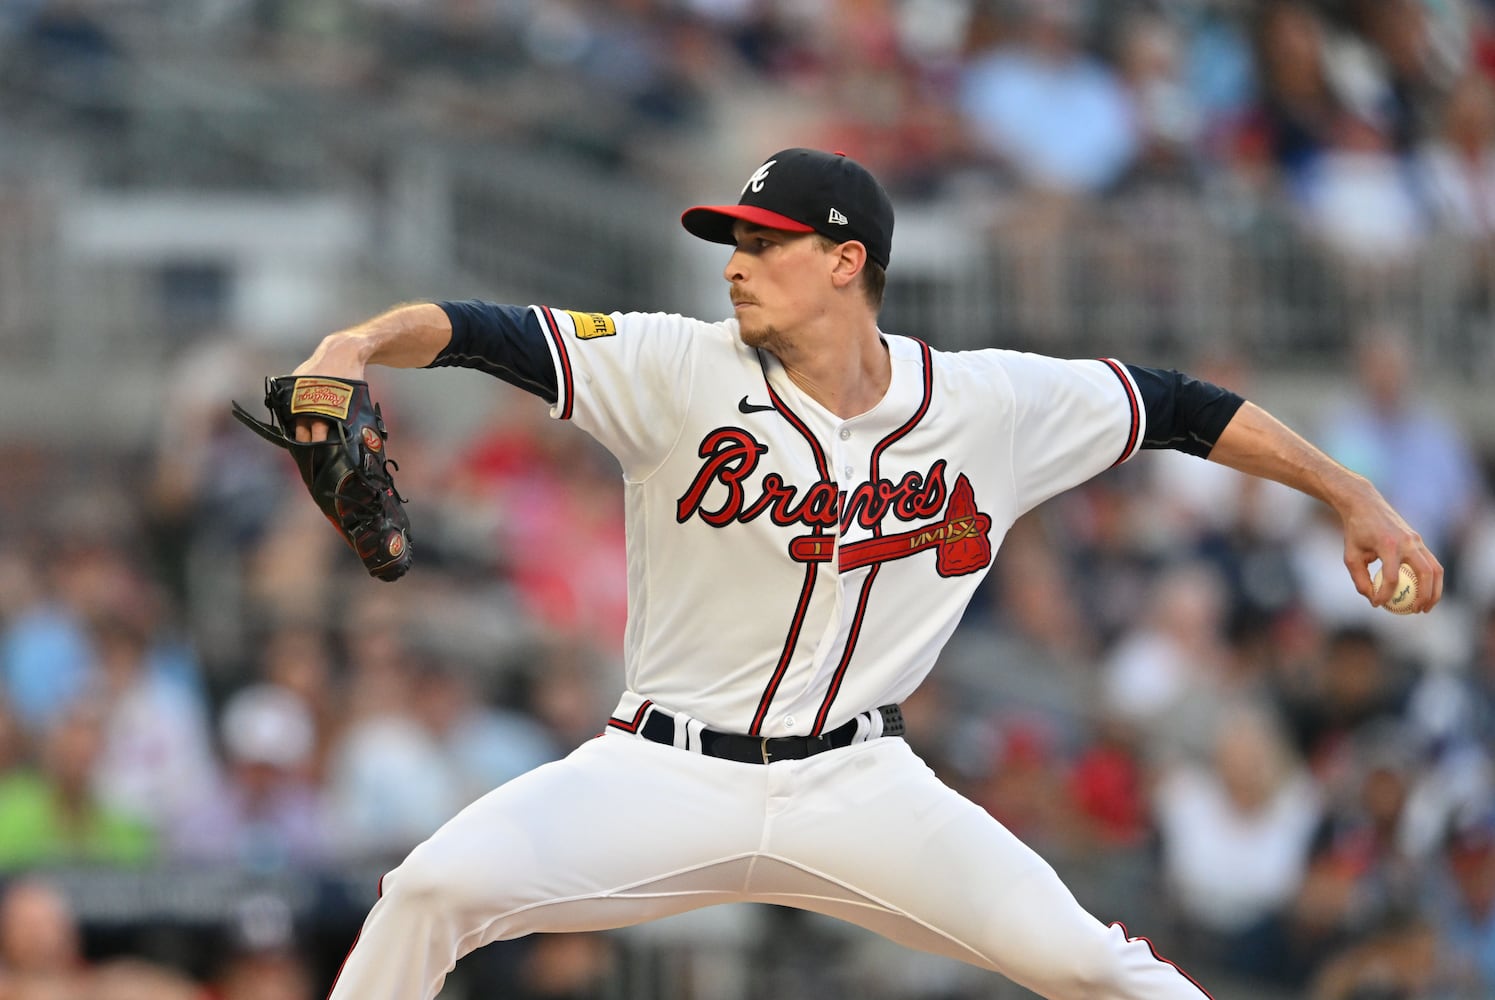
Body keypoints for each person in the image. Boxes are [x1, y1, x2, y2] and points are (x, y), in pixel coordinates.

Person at [279, 147, 1442, 1000]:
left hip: (860, 786)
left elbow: (1178, 405)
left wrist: (1350, 491)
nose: (735, 266)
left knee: (1095, 966)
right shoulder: (675, 367)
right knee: (426, 893)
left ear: (846, 262)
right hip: (660, 771)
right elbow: (484, 331)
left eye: (763, 243)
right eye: (733, 243)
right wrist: (356, 344)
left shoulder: (986, 402)